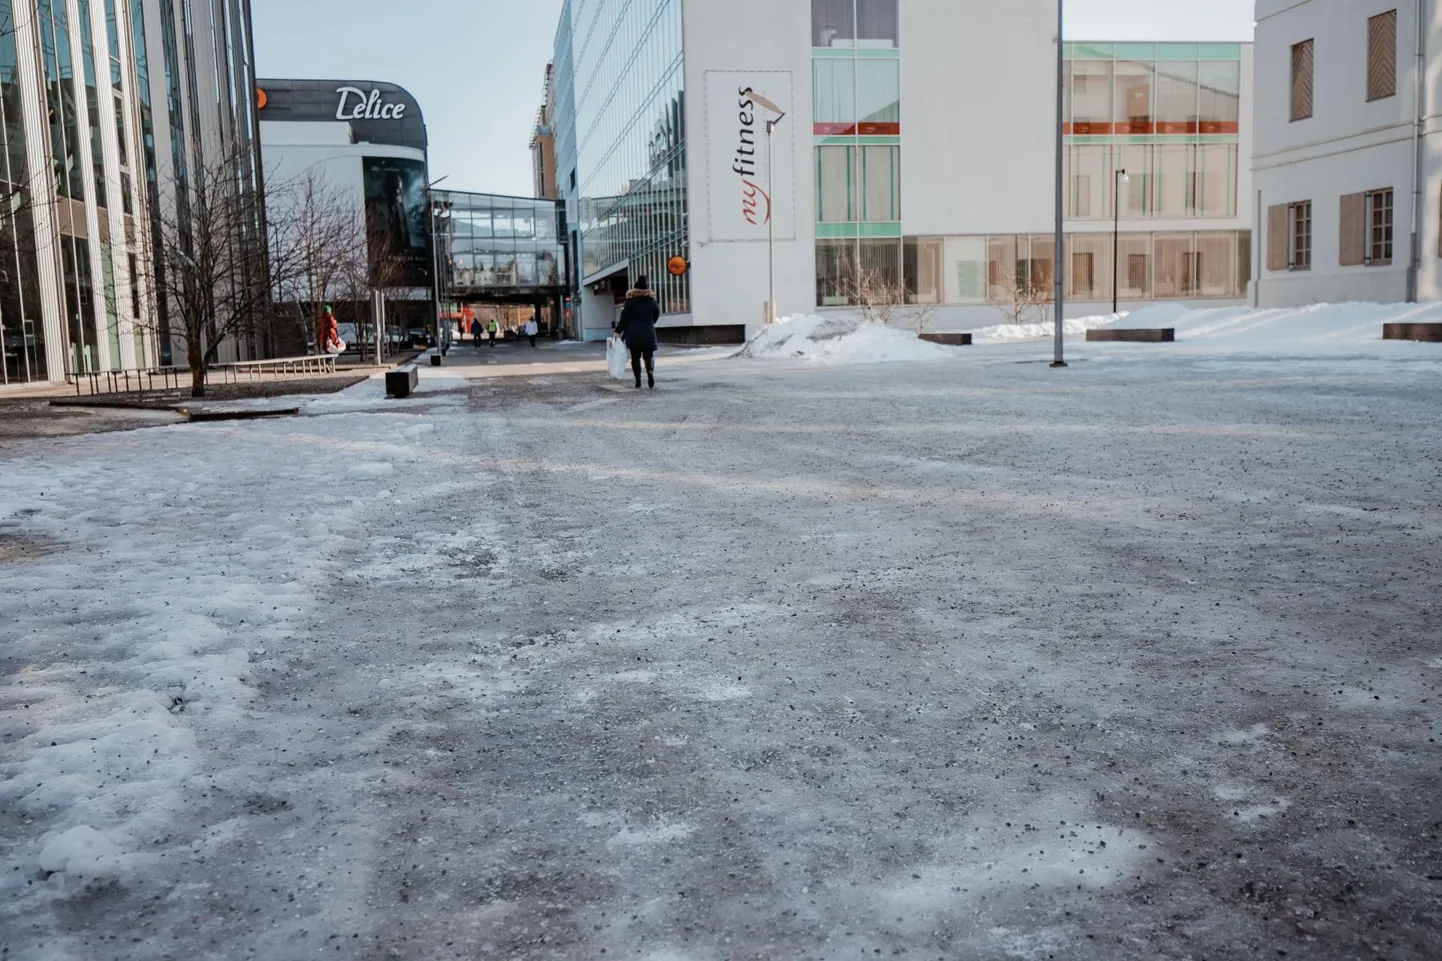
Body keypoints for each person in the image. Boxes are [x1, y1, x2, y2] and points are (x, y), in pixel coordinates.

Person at [615, 276, 660, 389]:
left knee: (635, 357)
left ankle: (638, 381)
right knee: (648, 356)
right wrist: (649, 323)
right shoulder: (652, 301)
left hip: (633, 333)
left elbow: (624, 318)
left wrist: (618, 331)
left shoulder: (630, 302)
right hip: (648, 332)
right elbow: (656, 315)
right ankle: (650, 372)